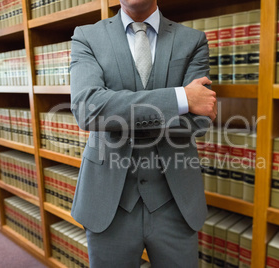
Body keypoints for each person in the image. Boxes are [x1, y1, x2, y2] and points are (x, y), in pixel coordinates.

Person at [69, 0, 217, 267]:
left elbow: (199, 121)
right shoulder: (86, 37)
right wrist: (182, 98)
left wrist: (116, 114)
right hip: (108, 203)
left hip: (175, 202)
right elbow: (88, 110)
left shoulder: (193, 40)